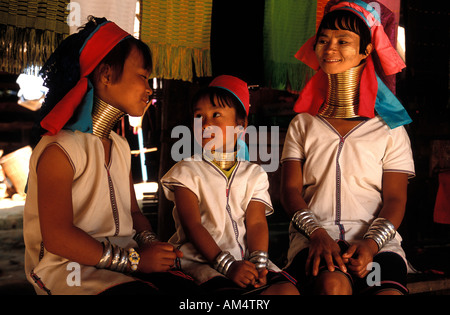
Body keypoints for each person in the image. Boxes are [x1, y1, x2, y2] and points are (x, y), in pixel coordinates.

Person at [23, 17, 198, 295]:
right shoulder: (60, 149)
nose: (149, 88)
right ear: (105, 74)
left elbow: (132, 212)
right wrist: (136, 261)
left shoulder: (118, 145)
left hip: (125, 262)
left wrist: (151, 245)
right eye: (142, 76)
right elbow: (57, 238)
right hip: (68, 270)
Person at [281, 0, 415, 295]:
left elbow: (395, 199)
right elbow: (290, 191)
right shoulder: (303, 124)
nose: (330, 48)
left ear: (366, 51)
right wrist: (316, 234)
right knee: (331, 285)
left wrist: (370, 244)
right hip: (313, 238)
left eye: (343, 41)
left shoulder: (389, 127)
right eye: (324, 40)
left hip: (377, 243)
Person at [161, 75, 299, 295]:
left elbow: (256, 224)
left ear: (241, 125)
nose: (206, 123)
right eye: (199, 116)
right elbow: (193, 225)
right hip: (200, 261)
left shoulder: (254, 174)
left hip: (245, 260)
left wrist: (259, 264)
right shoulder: (186, 171)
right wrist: (228, 266)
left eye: (216, 114)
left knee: (287, 292)